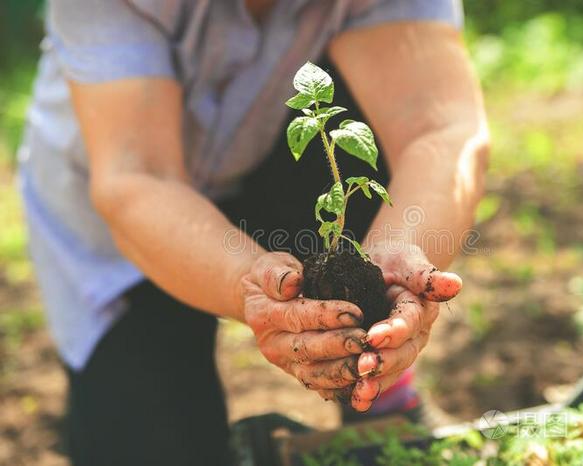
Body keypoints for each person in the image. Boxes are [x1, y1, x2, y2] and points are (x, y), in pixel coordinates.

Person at [18, 0, 489, 464]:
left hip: (263, 167)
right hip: (125, 226)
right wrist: (249, 287)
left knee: (365, 111)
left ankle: (376, 375)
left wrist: (400, 253)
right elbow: (138, 176)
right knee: (151, 443)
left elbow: (439, 129)